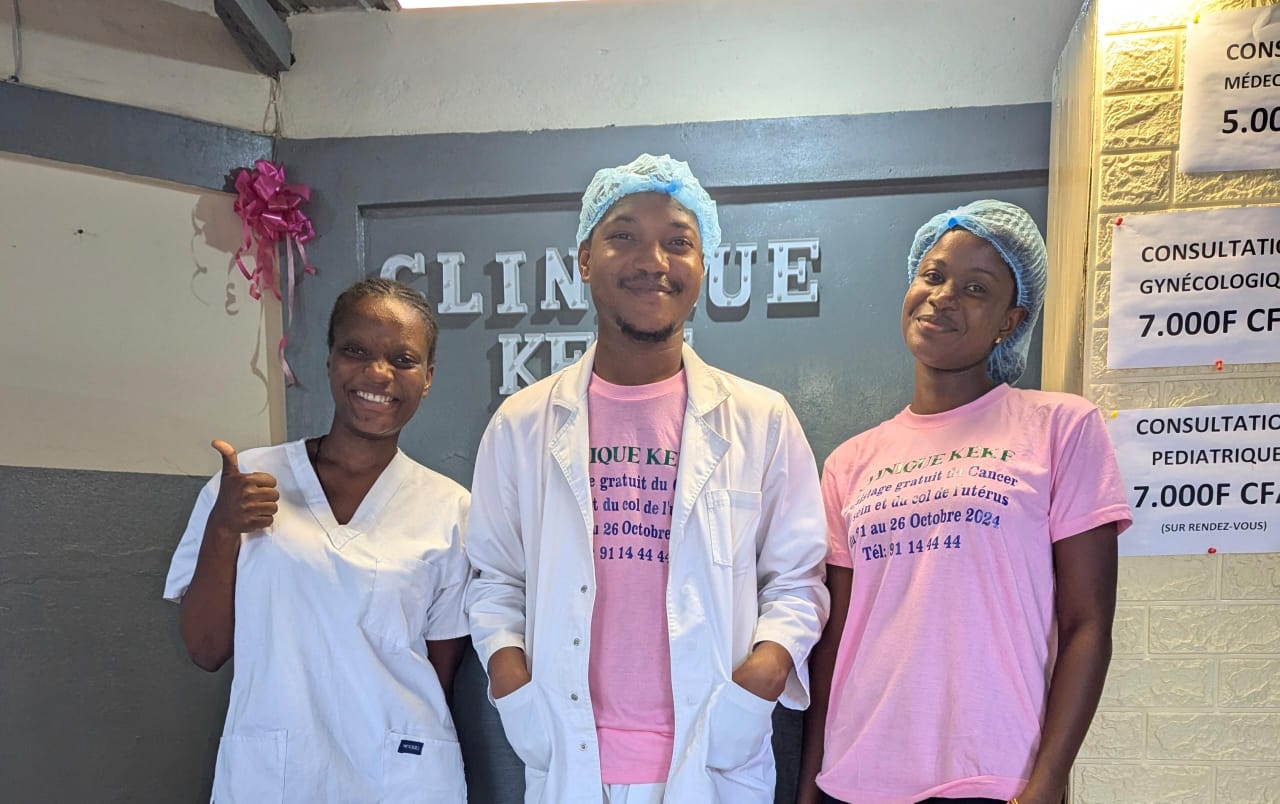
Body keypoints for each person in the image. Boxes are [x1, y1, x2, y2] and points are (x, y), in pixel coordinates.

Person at [465, 153, 829, 803]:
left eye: (678, 242)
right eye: (624, 235)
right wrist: (509, 677)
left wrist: (765, 672)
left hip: (713, 753)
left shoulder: (761, 419)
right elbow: (494, 580)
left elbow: (797, 581)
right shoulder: (522, 424)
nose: (652, 260)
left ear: (703, 265)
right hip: (568, 753)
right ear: (584, 259)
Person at [798, 200, 1132, 804]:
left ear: (1011, 319)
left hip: (995, 776)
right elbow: (836, 640)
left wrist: (1046, 785)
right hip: (857, 777)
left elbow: (1087, 626)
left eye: (976, 288)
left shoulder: (1060, 428)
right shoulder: (850, 462)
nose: (944, 297)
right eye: (932, 275)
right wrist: (810, 787)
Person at [164, 278, 471, 803]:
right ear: (329, 360)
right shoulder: (246, 483)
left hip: (401, 777)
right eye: (356, 351)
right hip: (277, 774)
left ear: (427, 378)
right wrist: (224, 527)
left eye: (403, 359)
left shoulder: (451, 509)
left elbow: (437, 673)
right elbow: (206, 650)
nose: (378, 373)